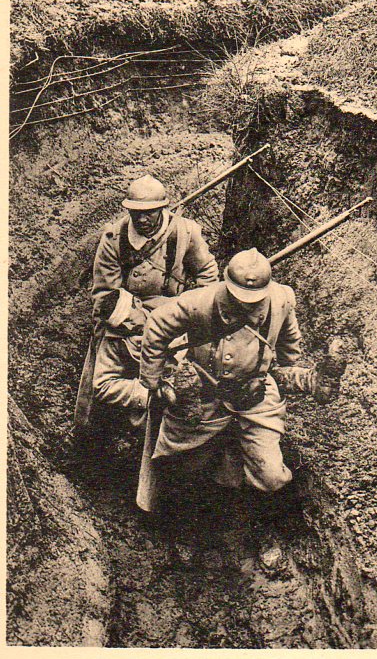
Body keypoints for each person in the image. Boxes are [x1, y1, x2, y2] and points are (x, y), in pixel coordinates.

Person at [135, 247, 344, 513]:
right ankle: (185, 513)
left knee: (271, 477)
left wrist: (285, 370)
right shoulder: (200, 302)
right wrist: (154, 381)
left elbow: (289, 346)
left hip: (254, 393)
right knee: (177, 463)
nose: (247, 304)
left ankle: (241, 513)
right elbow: (156, 326)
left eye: (254, 299)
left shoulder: (280, 300)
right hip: (203, 394)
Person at [74, 174, 219, 429]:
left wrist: (196, 311)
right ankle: (99, 433)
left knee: (202, 363)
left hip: (174, 312)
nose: (142, 219)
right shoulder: (114, 238)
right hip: (127, 312)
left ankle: (196, 418)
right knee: (100, 379)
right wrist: (130, 319)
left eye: (150, 212)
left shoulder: (184, 233)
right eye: (136, 213)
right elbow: (106, 293)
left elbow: (207, 275)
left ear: (163, 208)